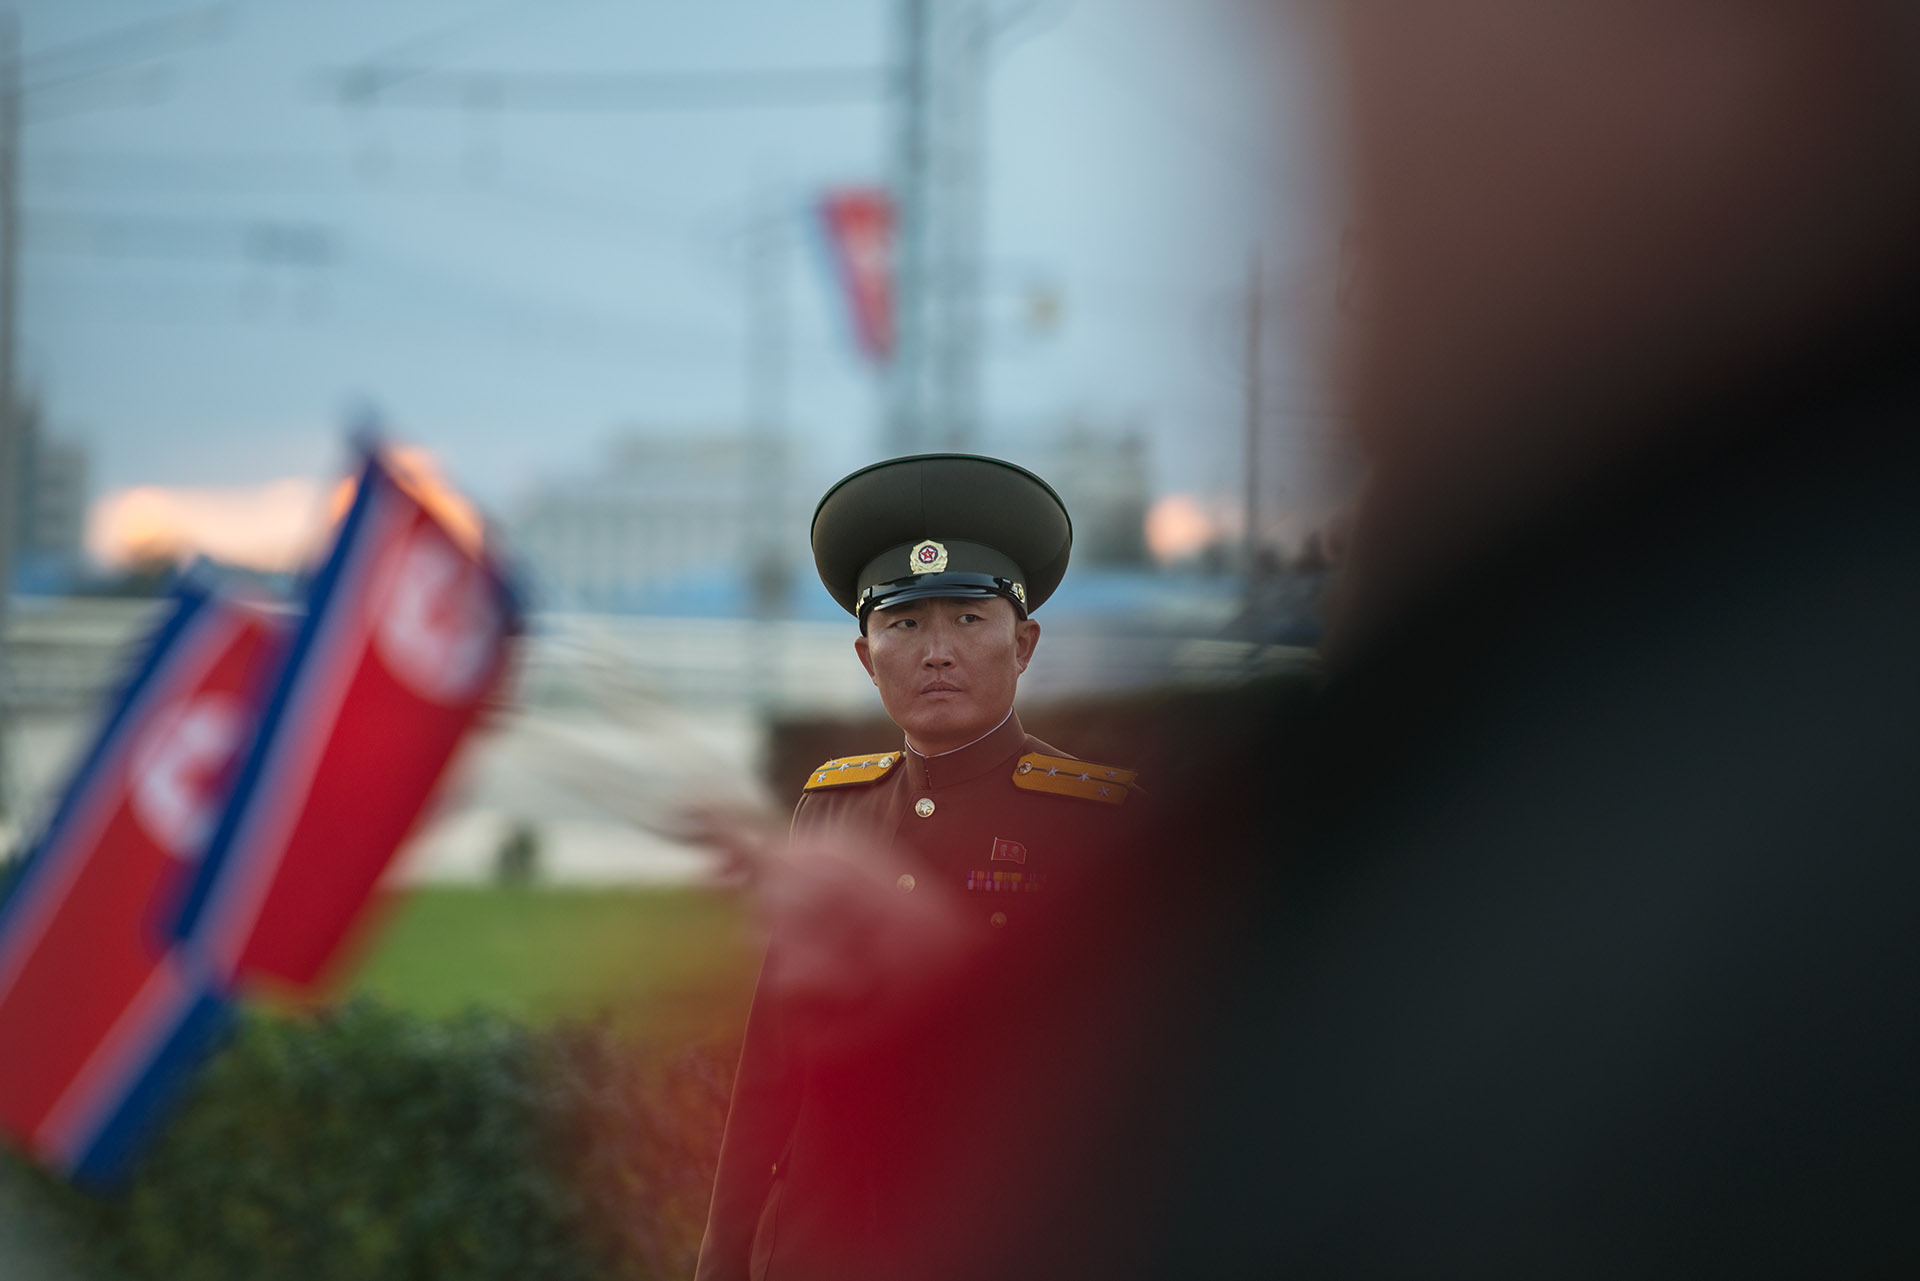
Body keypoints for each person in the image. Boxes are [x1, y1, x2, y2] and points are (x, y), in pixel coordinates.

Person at [694, 453, 1142, 1281]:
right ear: (867, 657)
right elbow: (769, 1071)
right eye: (904, 624)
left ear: (1025, 642)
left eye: (969, 619)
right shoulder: (830, 810)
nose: (937, 650)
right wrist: (722, 1259)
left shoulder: (1097, 826)